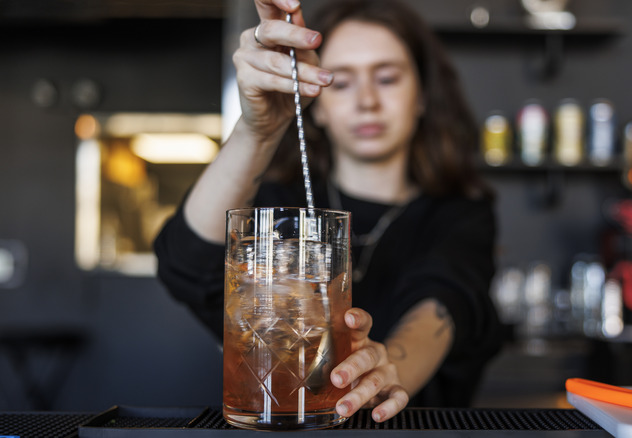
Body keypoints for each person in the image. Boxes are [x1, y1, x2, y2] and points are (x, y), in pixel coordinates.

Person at [154, 0, 502, 423]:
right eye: (340, 83)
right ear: (314, 103)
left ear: (423, 96)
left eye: (387, 78)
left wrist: (387, 369)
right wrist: (257, 131)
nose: (367, 101)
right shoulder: (276, 207)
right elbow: (185, 263)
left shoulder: (459, 214)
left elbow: (445, 302)